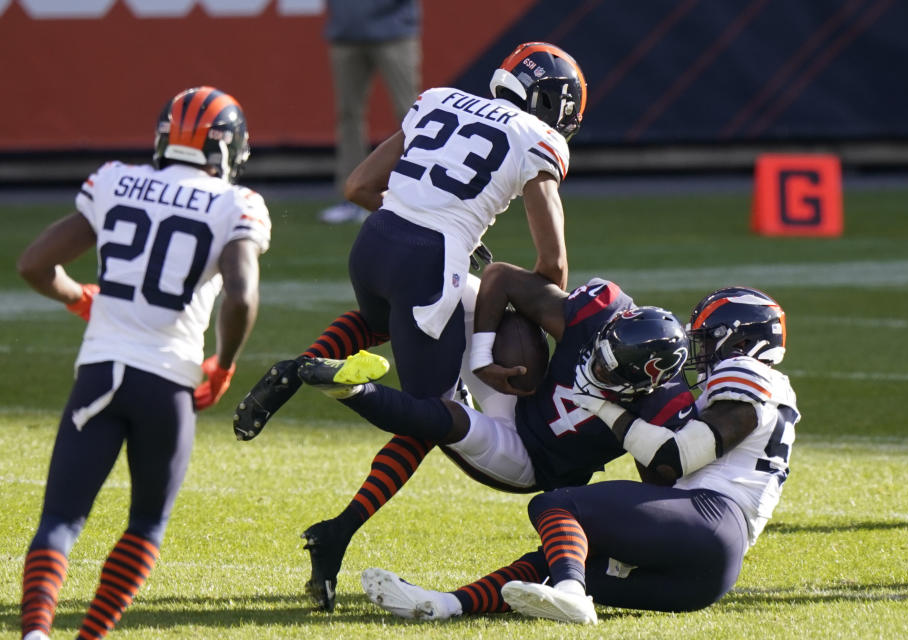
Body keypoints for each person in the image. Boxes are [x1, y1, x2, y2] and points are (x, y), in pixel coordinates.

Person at [233, 41, 587, 610]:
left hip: (374, 246)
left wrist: (427, 224)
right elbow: (554, 266)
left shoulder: (440, 99)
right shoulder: (537, 139)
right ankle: (337, 529)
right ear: (550, 102)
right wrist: (540, 318)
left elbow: (358, 188)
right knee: (429, 418)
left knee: (384, 324)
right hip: (430, 262)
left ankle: (297, 367)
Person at [359, 286, 799, 624]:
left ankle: (572, 593)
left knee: (557, 504)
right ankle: (445, 605)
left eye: (707, 340)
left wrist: (604, 406)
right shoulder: (765, 390)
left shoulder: (747, 371)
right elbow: (670, 465)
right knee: (557, 556)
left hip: (709, 518)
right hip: (706, 572)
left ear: (740, 341)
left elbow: (678, 456)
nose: (701, 352)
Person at [16, 86, 270, 640]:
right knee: (147, 525)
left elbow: (36, 264)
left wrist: (83, 297)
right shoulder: (237, 203)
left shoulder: (112, 179)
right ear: (229, 149)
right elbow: (242, 297)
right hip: (169, 380)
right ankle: (91, 635)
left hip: (100, 372)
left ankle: (35, 632)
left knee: (61, 519)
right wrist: (224, 366)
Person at [293, 261, 695, 608]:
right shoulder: (597, 315)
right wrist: (484, 357)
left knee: (443, 416)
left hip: (529, 458)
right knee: (449, 289)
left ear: (646, 385)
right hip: (518, 394)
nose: (597, 369)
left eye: (611, 373)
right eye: (599, 356)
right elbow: (500, 275)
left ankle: (353, 390)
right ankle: (306, 367)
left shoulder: (661, 408)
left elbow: (658, 485)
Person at [318, 0, 422, 224]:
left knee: (413, 115)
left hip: (394, 31)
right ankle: (352, 196)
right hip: (346, 33)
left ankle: (420, 192)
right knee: (348, 116)